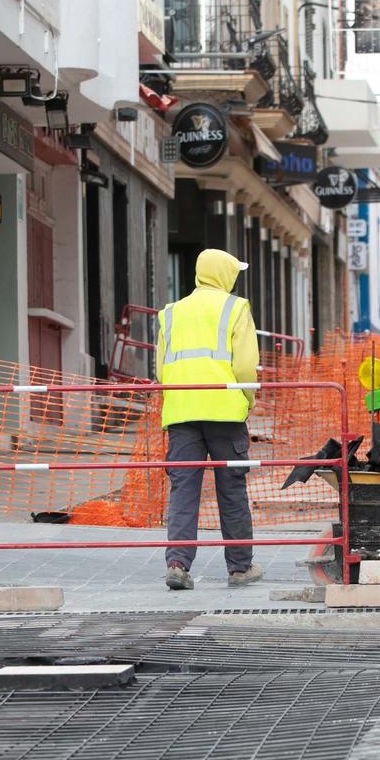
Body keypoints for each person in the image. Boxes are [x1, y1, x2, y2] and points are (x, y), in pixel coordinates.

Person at [159, 248, 264, 590]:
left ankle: (177, 564)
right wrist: (247, 399)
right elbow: (246, 366)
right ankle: (239, 567)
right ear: (225, 275)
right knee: (231, 491)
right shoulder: (236, 308)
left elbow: (161, 368)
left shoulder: (171, 313)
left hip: (182, 413)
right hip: (225, 414)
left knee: (183, 490)